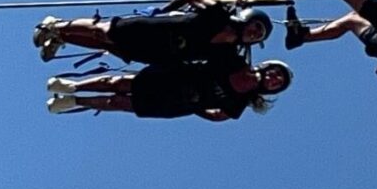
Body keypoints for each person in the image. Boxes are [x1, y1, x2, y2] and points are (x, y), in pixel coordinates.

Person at [31, 0, 273, 64]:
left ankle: (62, 36)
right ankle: (57, 24)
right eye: (256, 27)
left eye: (258, 36)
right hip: (154, 28)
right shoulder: (219, 15)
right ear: (249, 18)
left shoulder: (227, 54)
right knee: (103, 31)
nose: (254, 34)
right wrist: (164, 11)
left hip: (159, 53)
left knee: (108, 45)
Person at [45, 56, 293, 121]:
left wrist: (197, 108)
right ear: (268, 66)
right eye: (275, 73)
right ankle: (73, 86)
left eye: (277, 83)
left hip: (175, 103)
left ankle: (75, 102)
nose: (273, 78)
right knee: (118, 83)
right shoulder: (236, 62)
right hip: (172, 77)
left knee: (120, 103)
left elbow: (220, 117)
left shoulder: (240, 102)